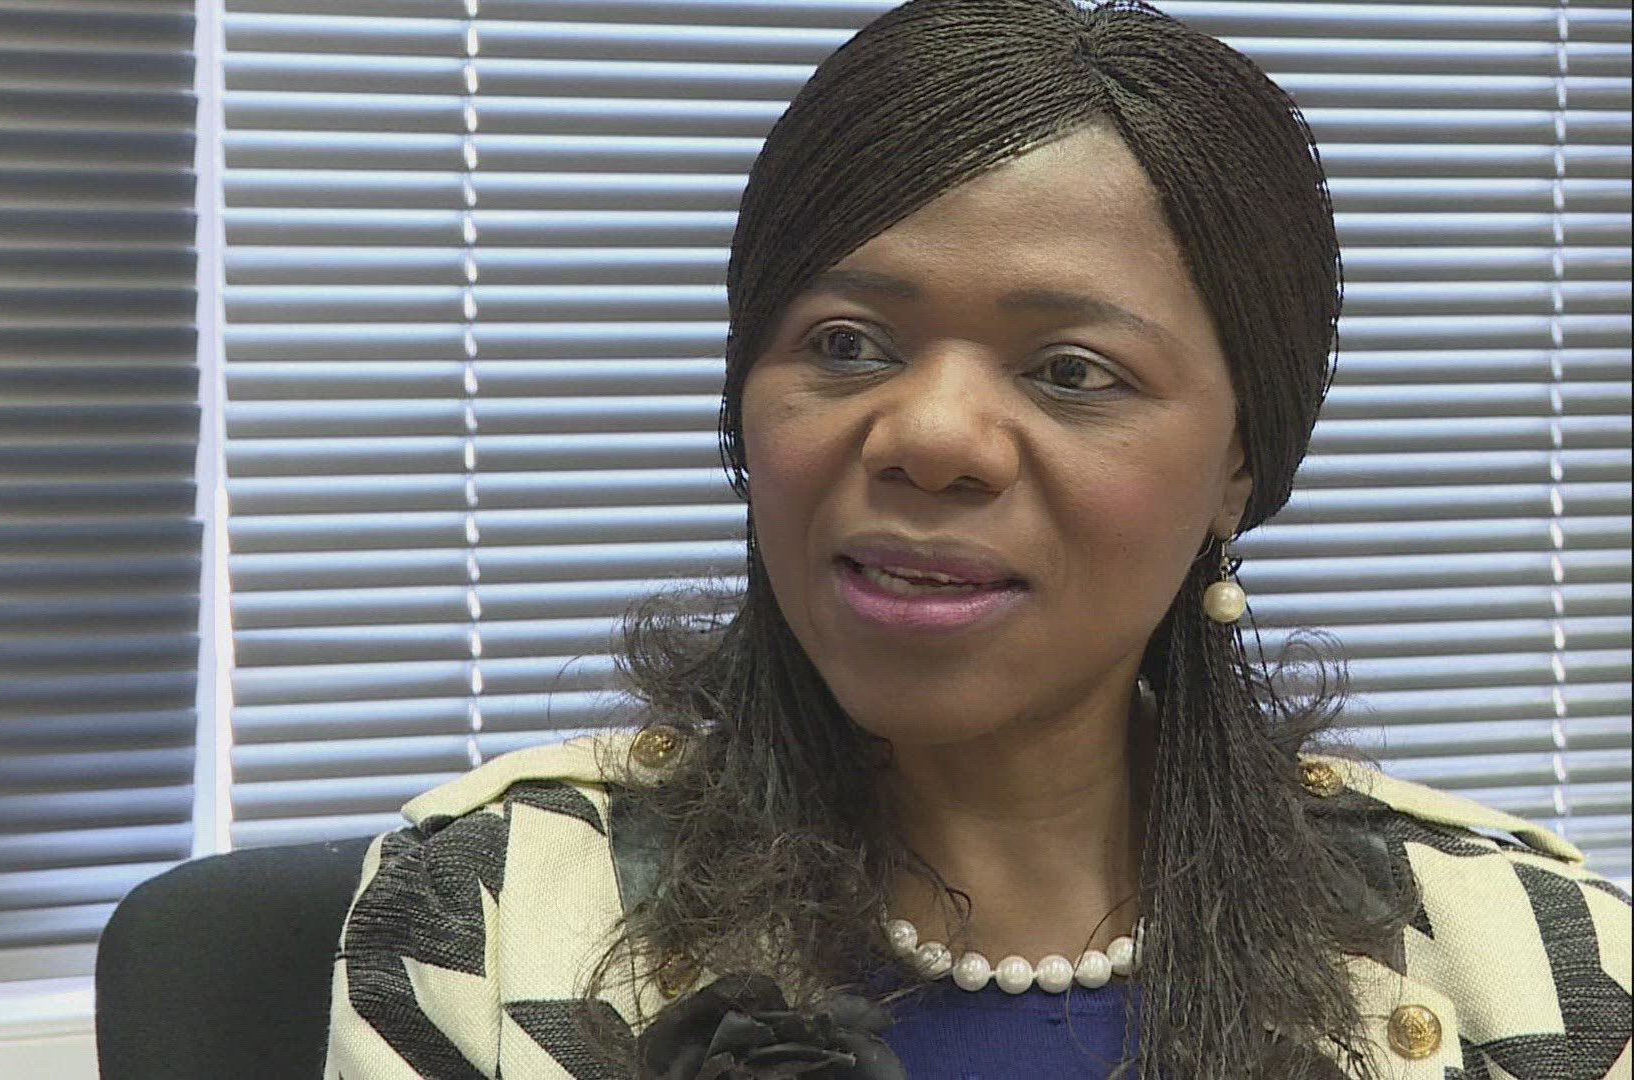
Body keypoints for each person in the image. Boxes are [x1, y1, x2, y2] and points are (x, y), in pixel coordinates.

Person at [324, 0, 1633, 1077]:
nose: (931, 436)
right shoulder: (495, 914)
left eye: (1072, 371)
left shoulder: (1532, 960)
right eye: (848, 345)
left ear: (1238, 466)